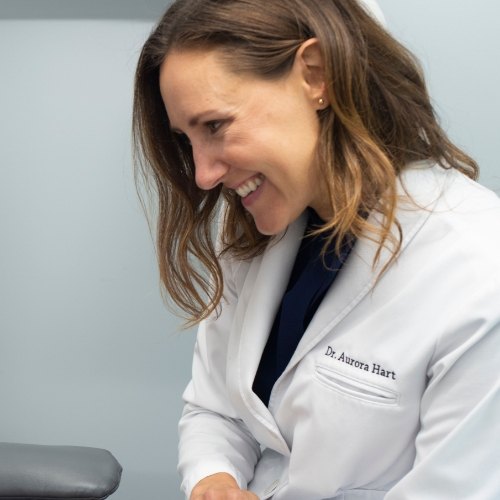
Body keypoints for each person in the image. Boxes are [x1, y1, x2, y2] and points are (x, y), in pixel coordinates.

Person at [132, 0, 500, 498]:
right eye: (187, 139)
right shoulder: (255, 226)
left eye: (215, 125)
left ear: (316, 75)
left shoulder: (478, 266)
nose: (203, 175)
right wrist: (213, 480)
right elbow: (216, 408)